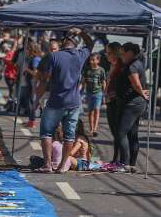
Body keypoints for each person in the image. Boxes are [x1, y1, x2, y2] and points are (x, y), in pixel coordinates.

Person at [34, 28, 93, 173]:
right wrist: (81, 32)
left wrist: (37, 99)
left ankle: (47, 165)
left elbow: (44, 80)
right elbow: (90, 44)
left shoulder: (54, 56)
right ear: (76, 44)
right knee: (69, 135)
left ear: (63, 42)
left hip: (56, 102)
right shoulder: (80, 55)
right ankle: (61, 167)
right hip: (73, 103)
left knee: (46, 132)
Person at [114, 42, 149, 173]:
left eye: (123, 53)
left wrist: (141, 92)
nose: (121, 56)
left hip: (132, 104)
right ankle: (132, 164)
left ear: (130, 53)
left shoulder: (132, 66)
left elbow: (136, 83)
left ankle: (125, 163)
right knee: (132, 134)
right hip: (136, 103)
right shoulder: (137, 63)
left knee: (121, 133)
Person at [104, 42, 124, 163]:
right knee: (114, 131)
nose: (106, 55)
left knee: (117, 131)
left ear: (115, 53)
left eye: (108, 52)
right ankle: (116, 157)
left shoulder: (120, 66)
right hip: (110, 101)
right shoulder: (113, 65)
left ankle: (119, 158)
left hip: (116, 102)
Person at [83, 53, 107, 136]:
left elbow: (103, 82)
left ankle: (95, 128)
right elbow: (84, 81)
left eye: (93, 59)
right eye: (90, 60)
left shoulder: (101, 70)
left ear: (98, 61)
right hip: (89, 93)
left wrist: (104, 94)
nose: (92, 61)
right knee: (90, 111)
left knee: (97, 110)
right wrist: (82, 92)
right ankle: (91, 128)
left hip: (98, 93)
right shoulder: (87, 70)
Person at [22, 41, 41, 128]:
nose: (26, 51)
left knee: (31, 101)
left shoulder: (35, 59)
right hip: (32, 82)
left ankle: (32, 121)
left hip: (33, 82)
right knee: (30, 101)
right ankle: (31, 120)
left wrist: (27, 70)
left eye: (28, 49)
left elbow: (35, 72)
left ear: (32, 50)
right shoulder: (35, 58)